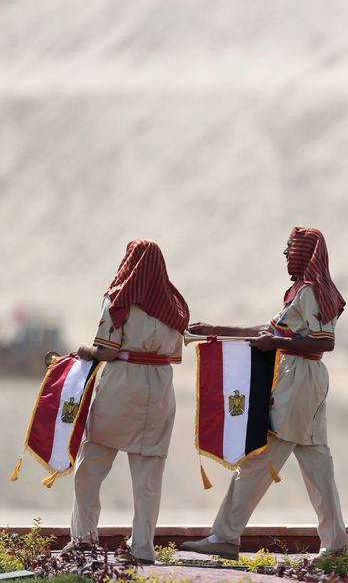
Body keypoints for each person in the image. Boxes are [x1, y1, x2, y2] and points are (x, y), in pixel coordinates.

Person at [181, 227, 348, 560]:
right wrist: (215, 330)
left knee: (259, 457)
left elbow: (325, 342)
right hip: (303, 377)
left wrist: (279, 344)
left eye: (290, 248)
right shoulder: (300, 291)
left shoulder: (311, 293)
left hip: (299, 377)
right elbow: (266, 331)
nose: (286, 253)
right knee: (317, 463)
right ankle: (337, 545)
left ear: (304, 252)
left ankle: (225, 536)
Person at [64, 239, 189, 565]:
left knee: (90, 465)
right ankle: (143, 547)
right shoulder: (174, 307)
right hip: (160, 388)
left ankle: (84, 538)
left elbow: (106, 350)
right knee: (148, 475)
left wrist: (84, 351)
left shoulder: (119, 300)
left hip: (122, 385)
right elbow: (175, 353)